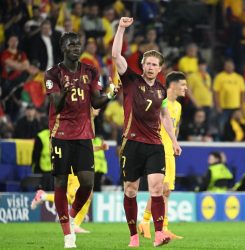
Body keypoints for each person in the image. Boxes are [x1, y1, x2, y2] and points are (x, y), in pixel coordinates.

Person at [112, 17, 181, 248]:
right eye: (148, 63)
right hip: (132, 143)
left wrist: (173, 141)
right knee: (131, 190)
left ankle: (159, 233)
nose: (151, 67)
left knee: (157, 188)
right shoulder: (130, 80)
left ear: (160, 69)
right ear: (142, 64)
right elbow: (115, 56)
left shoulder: (161, 90)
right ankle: (133, 236)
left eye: (155, 65)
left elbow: (164, 116)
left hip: (154, 145)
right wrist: (121, 28)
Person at [45, 32, 118, 248]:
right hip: (60, 133)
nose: (76, 47)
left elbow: (95, 103)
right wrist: (65, 92)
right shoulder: (53, 74)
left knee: (87, 183)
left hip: (84, 134)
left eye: (78, 44)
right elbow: (56, 105)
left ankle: (72, 214)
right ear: (63, 48)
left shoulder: (90, 71)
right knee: (60, 181)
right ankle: (68, 234)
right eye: (71, 44)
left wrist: (111, 95)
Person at [138, 71, 187, 240]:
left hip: (169, 151)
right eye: (183, 85)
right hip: (158, 149)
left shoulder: (178, 106)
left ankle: (164, 227)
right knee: (160, 189)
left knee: (167, 192)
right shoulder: (160, 101)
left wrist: (175, 143)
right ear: (172, 86)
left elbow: (176, 127)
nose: (185, 88)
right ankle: (145, 221)